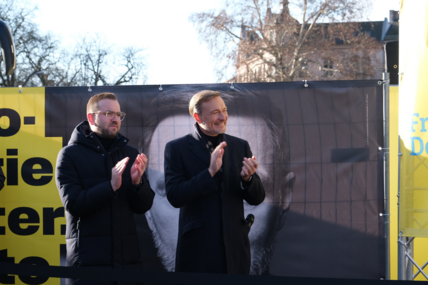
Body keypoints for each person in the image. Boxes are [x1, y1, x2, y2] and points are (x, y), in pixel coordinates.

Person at [138, 85, 295, 275]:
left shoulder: (240, 146)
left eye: (224, 111)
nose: (222, 117)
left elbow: (257, 198)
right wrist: (209, 172)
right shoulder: (176, 149)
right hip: (194, 257)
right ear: (197, 117)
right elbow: (175, 197)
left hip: (236, 257)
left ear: (285, 196)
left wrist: (248, 180)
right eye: (215, 112)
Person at [56, 92, 155, 285]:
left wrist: (138, 184)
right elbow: (73, 203)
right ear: (91, 117)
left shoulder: (130, 153)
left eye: (119, 114)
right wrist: (110, 187)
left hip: (128, 264)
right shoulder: (69, 155)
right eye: (109, 113)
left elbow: (144, 206)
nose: (116, 119)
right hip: (87, 265)